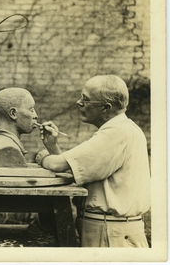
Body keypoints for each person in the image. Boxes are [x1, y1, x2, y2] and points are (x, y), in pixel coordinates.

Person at [36, 75, 151, 247]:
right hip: (110, 230)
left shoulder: (116, 133)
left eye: (85, 99)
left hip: (111, 234)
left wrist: (44, 157)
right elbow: (77, 168)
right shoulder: (123, 129)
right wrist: (53, 146)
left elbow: (56, 165)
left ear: (106, 108)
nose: (78, 102)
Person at [0, 87, 39, 167]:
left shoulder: (3, 142)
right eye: (31, 110)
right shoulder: (8, 148)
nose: (36, 116)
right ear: (13, 113)